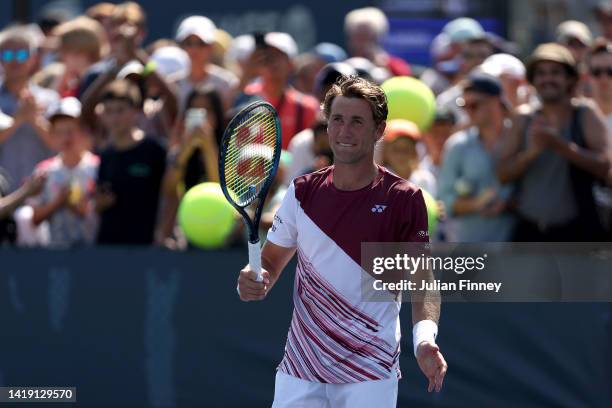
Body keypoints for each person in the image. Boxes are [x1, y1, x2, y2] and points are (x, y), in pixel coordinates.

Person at [237, 76, 447, 407]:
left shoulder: (404, 199)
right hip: (301, 367)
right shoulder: (302, 192)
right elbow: (271, 262)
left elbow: (422, 281)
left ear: (378, 130)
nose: (344, 131)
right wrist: (255, 280)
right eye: (337, 120)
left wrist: (423, 340)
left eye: (356, 122)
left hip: (371, 369)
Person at [497, 43, 610, 241]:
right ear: (533, 79)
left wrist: (560, 145)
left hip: (577, 235)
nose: (547, 79)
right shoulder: (523, 118)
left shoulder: (585, 114)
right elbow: (502, 173)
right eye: (541, 73)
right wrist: (531, 153)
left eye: (555, 72)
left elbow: (604, 165)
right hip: (529, 233)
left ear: (569, 78)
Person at [438, 73, 515, 242]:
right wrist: (477, 204)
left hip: (515, 250)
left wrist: (509, 204)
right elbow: (445, 200)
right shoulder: (457, 146)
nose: (468, 111)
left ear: (496, 102)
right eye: (464, 105)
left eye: (475, 105)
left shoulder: (519, 139)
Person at [95, 79, 166, 245]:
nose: (114, 117)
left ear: (135, 111)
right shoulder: (105, 155)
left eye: (120, 110)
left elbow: (168, 195)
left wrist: (162, 232)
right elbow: (99, 202)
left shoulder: (154, 151)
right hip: (109, 246)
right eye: (109, 111)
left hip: (146, 246)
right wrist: (100, 203)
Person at [30, 97, 99, 247]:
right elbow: (34, 219)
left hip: (93, 253)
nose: (66, 138)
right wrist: (58, 202)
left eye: (70, 131)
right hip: (54, 253)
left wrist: (76, 205)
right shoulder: (43, 171)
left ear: (82, 131)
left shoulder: (98, 167)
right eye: (59, 132)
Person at [0, 25, 59, 193]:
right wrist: (18, 119)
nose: (15, 61)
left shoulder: (50, 98)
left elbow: (59, 143)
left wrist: (35, 120)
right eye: (7, 54)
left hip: (41, 194)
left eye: (21, 54)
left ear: (33, 58)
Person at [239, 32, 319, 150]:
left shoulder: (307, 106)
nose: (270, 62)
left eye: (277, 55)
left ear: (291, 64)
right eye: (266, 56)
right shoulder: (244, 98)